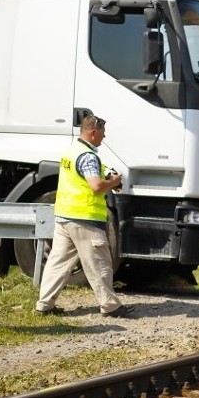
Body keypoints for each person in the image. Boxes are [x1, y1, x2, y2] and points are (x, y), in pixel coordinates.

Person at [35, 114, 135, 318]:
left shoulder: (72, 151)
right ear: (93, 132)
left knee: (57, 262)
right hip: (84, 218)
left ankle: (44, 304)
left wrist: (107, 176)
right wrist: (113, 183)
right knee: (99, 263)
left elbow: (83, 178)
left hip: (65, 215)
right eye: (103, 133)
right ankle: (110, 306)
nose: (104, 137)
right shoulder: (88, 156)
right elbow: (96, 186)